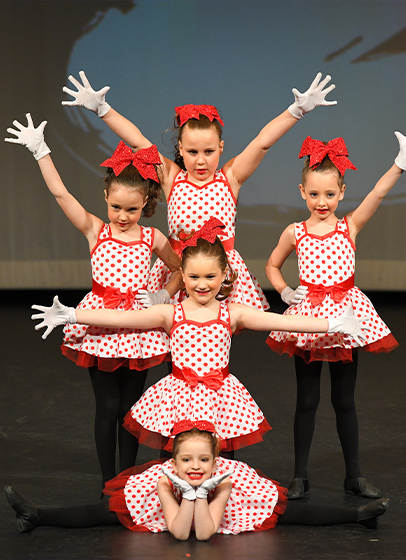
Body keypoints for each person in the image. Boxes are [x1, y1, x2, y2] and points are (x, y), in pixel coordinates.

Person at [31, 218, 368, 456]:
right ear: (182, 275)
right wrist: (72, 314)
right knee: (174, 460)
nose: (202, 284)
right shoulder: (169, 313)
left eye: (209, 277)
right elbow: (121, 317)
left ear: (224, 276)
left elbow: (280, 321)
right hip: (178, 397)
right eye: (193, 277)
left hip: (221, 398)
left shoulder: (233, 313)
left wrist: (332, 324)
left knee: (223, 462)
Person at [61, 70, 337, 311]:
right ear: (180, 149)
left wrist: (296, 111)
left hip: (217, 271)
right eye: (192, 152)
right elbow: (137, 142)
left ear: (221, 148)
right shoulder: (172, 177)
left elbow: (262, 143)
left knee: (216, 334)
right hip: (180, 271)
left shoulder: (230, 178)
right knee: (173, 336)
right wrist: (103, 110)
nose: (201, 161)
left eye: (208, 151)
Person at [5, 115, 183, 488]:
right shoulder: (95, 230)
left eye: (131, 209)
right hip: (99, 326)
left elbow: (181, 268)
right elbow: (61, 194)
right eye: (116, 207)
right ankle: (108, 483)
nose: (122, 216)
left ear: (145, 203)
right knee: (107, 408)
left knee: (130, 411)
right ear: (105, 198)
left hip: (138, 331)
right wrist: (41, 151)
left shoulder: (151, 238)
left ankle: (127, 482)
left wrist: (164, 293)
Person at [266, 133, 404, 500]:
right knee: (307, 400)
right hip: (309, 321)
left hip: (345, 319)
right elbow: (272, 265)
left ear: (342, 192)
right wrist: (284, 291)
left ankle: (353, 476)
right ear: (302, 192)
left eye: (329, 194)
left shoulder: (349, 227)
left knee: (344, 401)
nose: (322, 202)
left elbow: (376, 194)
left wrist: (399, 165)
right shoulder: (295, 232)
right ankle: (300, 476)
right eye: (314, 194)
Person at [5, 422, 390, 538]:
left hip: (219, 506)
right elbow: (180, 530)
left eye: (204, 460)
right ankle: (38, 514)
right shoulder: (163, 478)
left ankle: (358, 517)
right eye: (186, 459)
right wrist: (180, 491)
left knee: (287, 512)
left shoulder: (225, 477)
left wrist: (208, 490)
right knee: (105, 513)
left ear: (216, 459)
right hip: (173, 507)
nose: (195, 466)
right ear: (172, 461)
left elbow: (204, 533)